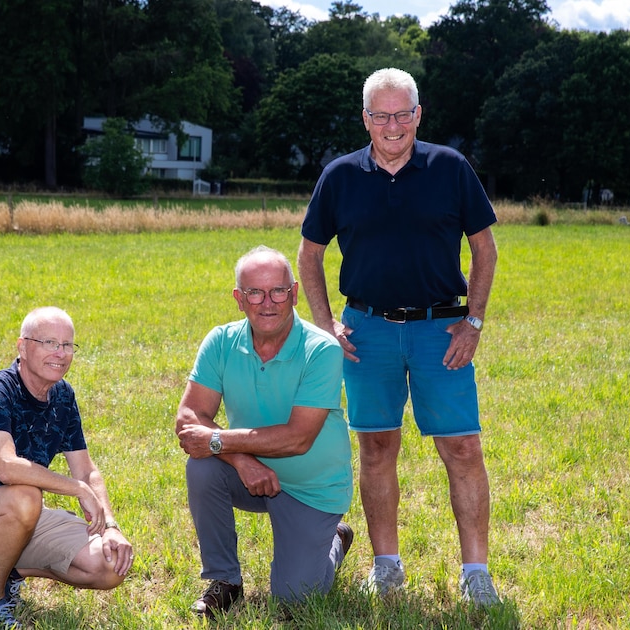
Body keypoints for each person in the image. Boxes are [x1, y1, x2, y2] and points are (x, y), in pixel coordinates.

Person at [297, 67, 501, 606]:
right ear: (366, 118)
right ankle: (386, 565)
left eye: (402, 113)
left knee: (462, 447)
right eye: (381, 115)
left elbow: (485, 250)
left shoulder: (451, 168)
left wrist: (473, 322)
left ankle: (476, 574)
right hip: (367, 331)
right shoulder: (339, 176)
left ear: (418, 114)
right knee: (377, 447)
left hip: (442, 330)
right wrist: (325, 322)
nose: (393, 125)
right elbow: (309, 255)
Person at [175, 245, 354, 617]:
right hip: (254, 475)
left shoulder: (322, 350)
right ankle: (225, 580)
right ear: (239, 299)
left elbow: (297, 438)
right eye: (255, 292)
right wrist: (240, 460)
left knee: (293, 603)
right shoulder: (221, 341)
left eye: (278, 291)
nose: (267, 302)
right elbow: (190, 418)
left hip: (313, 490)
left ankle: (335, 541)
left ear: (294, 293)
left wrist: (218, 440)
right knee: (204, 467)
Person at [0, 307, 133, 629]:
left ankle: (10, 569)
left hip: (20, 518)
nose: (60, 353)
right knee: (25, 495)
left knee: (109, 566)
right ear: (22, 347)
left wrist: (110, 524)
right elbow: (7, 468)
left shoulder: (63, 396)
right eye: (49, 342)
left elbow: (86, 470)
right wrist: (75, 489)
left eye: (67, 345)